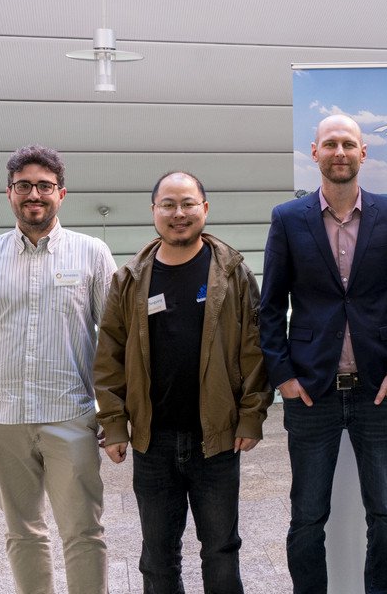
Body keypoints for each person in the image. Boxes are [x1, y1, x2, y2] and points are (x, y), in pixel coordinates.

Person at [259, 114, 387, 594]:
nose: (339, 152)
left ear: (362, 153)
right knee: (307, 516)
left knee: (386, 513)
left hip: (378, 390)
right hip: (312, 391)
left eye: (348, 144)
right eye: (330, 144)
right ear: (314, 153)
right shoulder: (288, 219)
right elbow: (270, 306)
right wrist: (283, 377)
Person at [93, 171, 273, 593]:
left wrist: (251, 416)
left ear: (204, 209)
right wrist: (115, 424)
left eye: (188, 203)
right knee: (157, 557)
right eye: (168, 204)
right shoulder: (129, 279)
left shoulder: (233, 273)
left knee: (221, 550)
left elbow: (255, 349)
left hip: (217, 438)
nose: (179, 213)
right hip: (152, 441)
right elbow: (109, 357)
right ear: (153, 211)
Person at [0, 145, 116, 594]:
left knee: (84, 531)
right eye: (24, 186)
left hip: (70, 416)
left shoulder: (92, 254)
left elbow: (116, 340)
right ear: (9, 193)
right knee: (22, 533)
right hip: (1, 420)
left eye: (44, 186)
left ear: (61, 193)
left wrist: (114, 413)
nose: (34, 194)